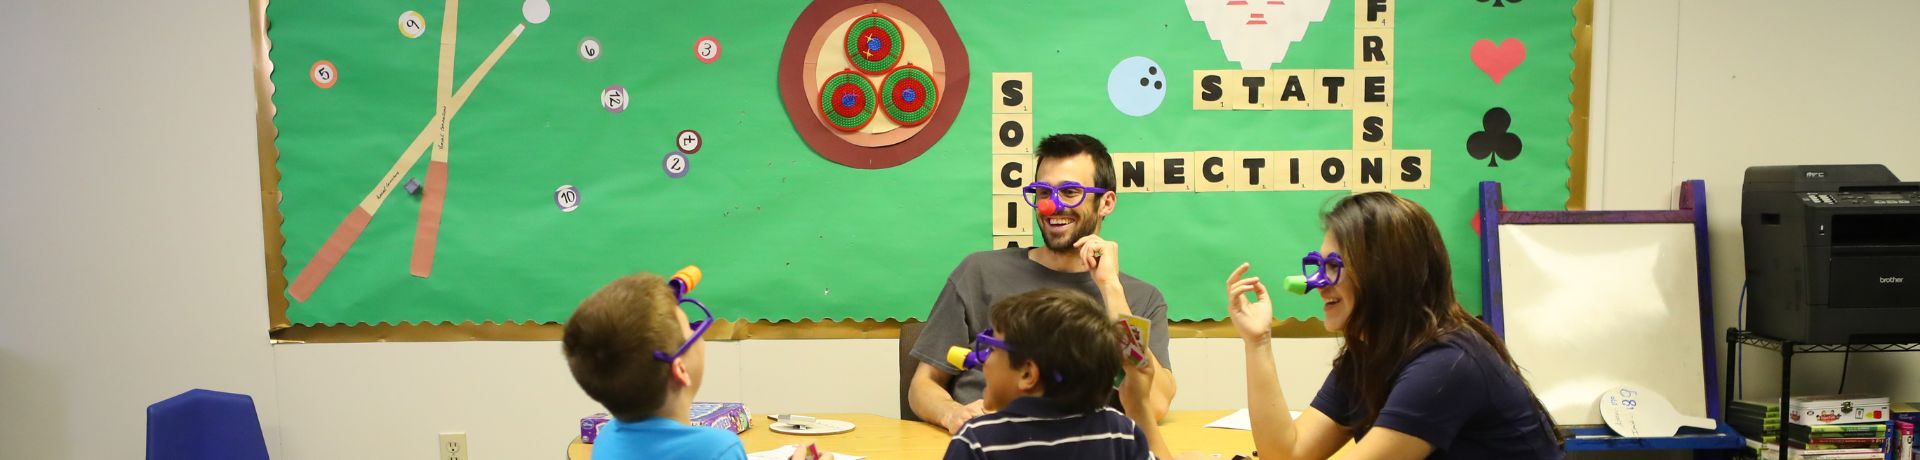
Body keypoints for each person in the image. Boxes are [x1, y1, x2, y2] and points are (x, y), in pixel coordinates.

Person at [1222, 192, 1563, 459]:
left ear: (1385, 274)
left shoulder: (1446, 365)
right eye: (1319, 265)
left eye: (1334, 266)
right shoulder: (1372, 352)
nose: (1319, 283)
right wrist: (1258, 341)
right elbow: (1287, 454)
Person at [910, 133, 1177, 434]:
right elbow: (923, 385)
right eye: (1043, 192)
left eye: (1070, 192)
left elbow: (1153, 405)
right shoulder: (979, 271)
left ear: (1106, 202)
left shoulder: (1141, 299)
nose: (1052, 206)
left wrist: (1111, 289)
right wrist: (953, 414)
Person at [562, 271, 830, 460]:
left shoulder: (606, 440)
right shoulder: (718, 449)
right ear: (679, 370)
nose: (698, 333)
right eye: (691, 328)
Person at [942, 288, 1169, 460]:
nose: (984, 361)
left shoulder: (975, 441)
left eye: (991, 349)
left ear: (1028, 374)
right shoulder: (1120, 433)